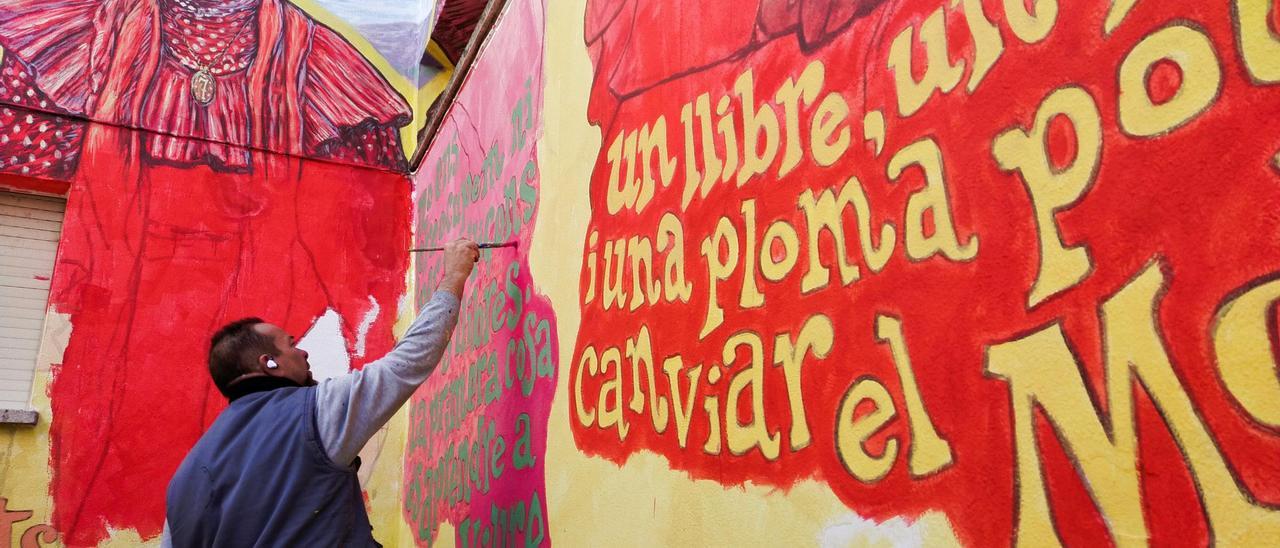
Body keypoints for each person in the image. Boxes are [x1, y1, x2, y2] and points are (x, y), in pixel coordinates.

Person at [162, 238, 480, 547]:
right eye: (290, 344)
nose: (303, 353)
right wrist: (454, 276)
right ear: (269, 364)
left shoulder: (184, 481)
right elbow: (408, 362)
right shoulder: (313, 413)